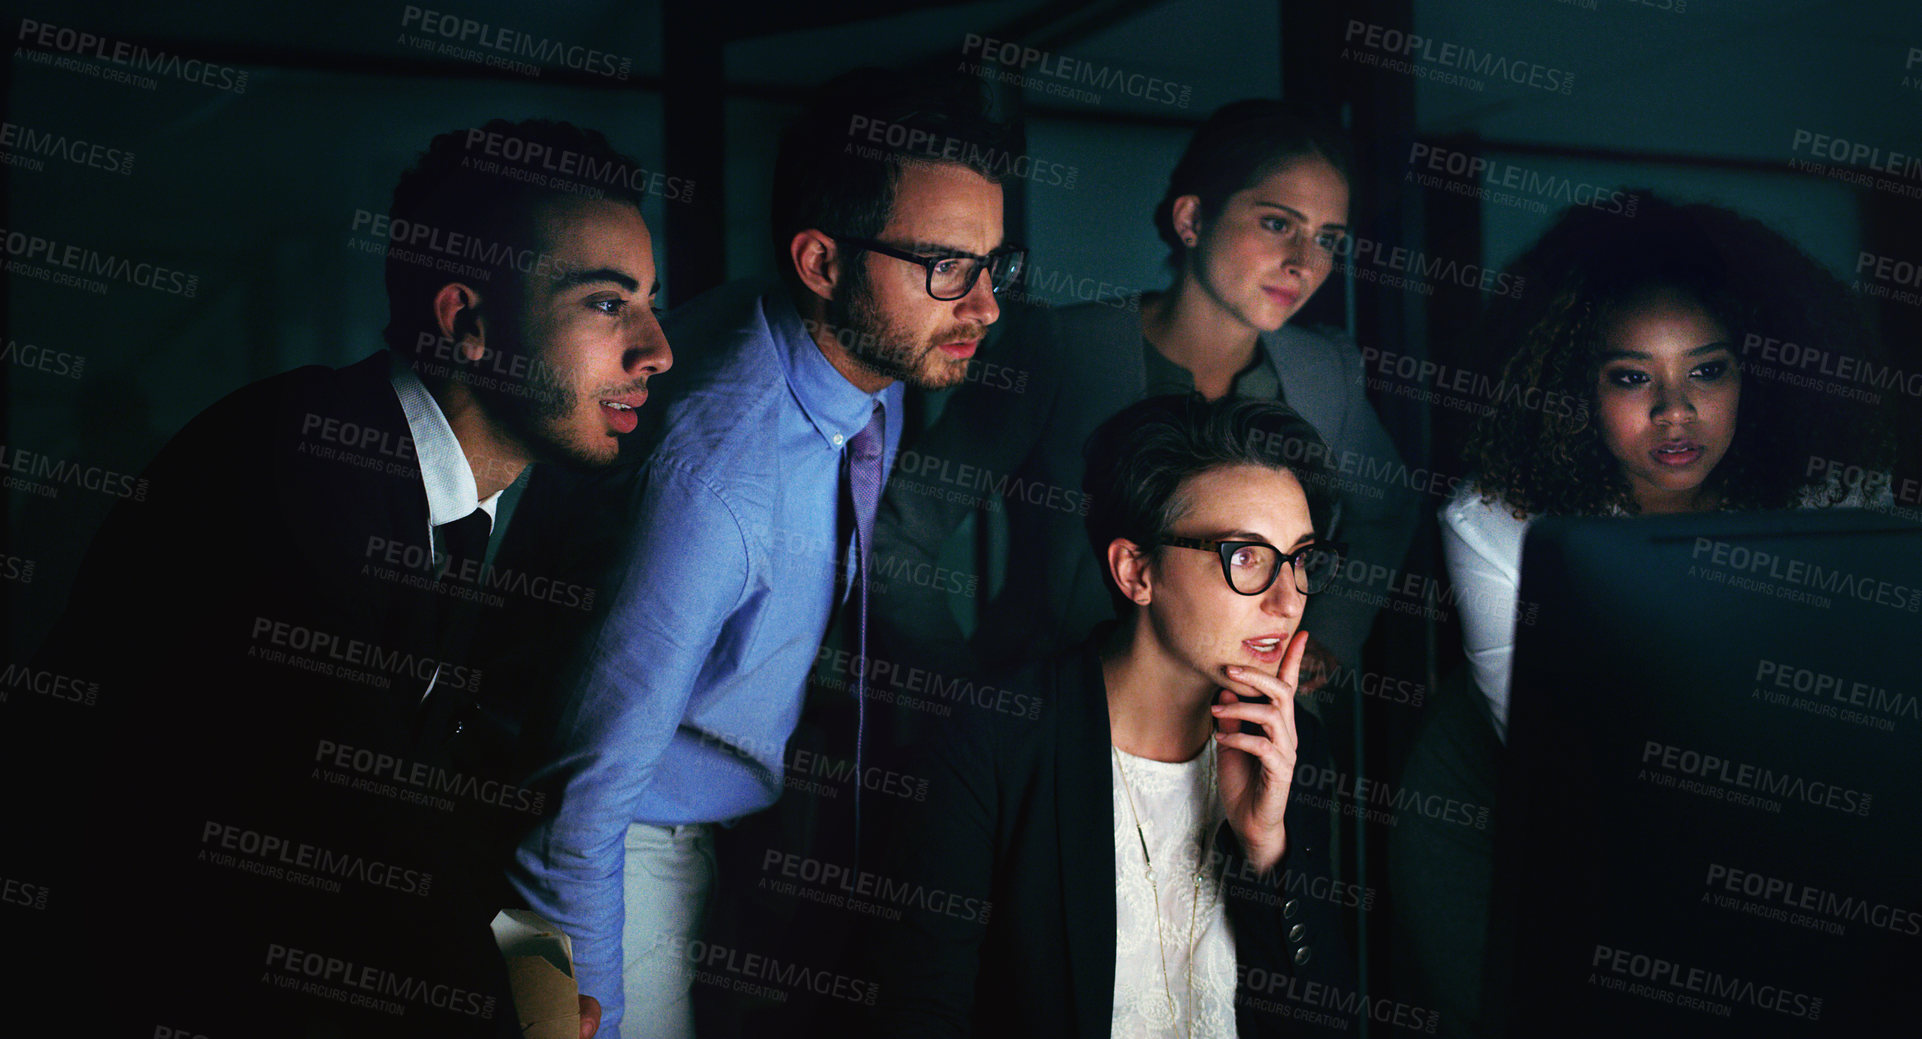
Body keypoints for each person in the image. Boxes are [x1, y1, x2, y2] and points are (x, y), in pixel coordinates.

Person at [14, 118, 668, 1039]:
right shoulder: (300, 473)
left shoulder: (438, 496)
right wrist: (508, 1008)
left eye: (650, 302)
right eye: (608, 305)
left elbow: (429, 812)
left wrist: (526, 982)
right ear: (466, 324)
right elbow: (353, 836)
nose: (657, 350)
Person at [505, 69, 1021, 1039]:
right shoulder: (714, 484)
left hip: (740, 828)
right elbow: (567, 808)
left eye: (993, 264)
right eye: (947, 267)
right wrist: (558, 1020)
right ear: (822, 263)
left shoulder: (868, 368)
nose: (985, 305)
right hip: (616, 840)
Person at [1395, 193, 1895, 1038]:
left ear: (1756, 374)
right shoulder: (1498, 519)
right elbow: (1576, 757)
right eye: (1632, 377)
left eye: (1708, 370)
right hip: (1508, 814)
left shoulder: (1834, 495)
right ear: (1572, 387)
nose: (1676, 411)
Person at [871, 99, 1415, 698]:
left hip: (1246, 738)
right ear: (1191, 220)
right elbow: (899, 528)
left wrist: (1328, 635)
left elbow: (1387, 512)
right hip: (1056, 722)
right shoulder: (1064, 349)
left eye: (1327, 239)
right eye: (1277, 224)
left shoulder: (1324, 371)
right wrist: (962, 698)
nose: (1304, 263)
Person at [860, 394, 1358, 1038]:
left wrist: (1267, 850)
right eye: (1246, 558)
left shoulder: (1289, 747)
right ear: (1135, 570)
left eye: (1300, 560)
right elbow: (923, 1010)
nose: (1289, 601)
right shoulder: (996, 738)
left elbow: (1323, 1025)